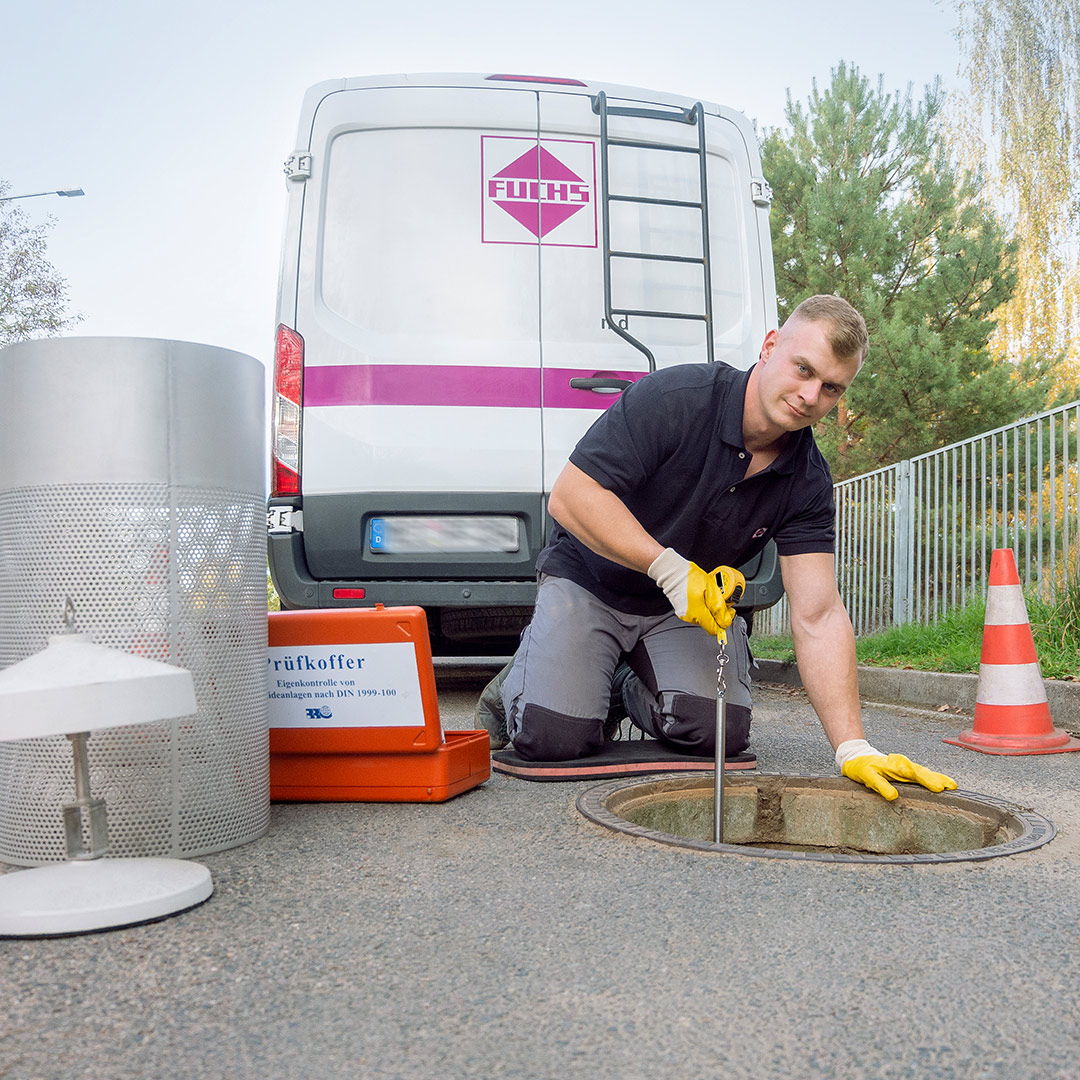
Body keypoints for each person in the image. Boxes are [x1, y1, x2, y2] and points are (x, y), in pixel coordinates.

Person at [476, 295, 956, 801]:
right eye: (803, 369)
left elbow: (818, 614)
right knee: (555, 737)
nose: (810, 395)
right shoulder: (675, 399)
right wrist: (668, 568)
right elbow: (572, 496)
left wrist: (853, 747)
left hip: (682, 608)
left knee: (717, 732)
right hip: (591, 581)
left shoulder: (807, 480)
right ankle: (521, 684)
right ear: (770, 346)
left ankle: (621, 682)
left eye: (831, 387)